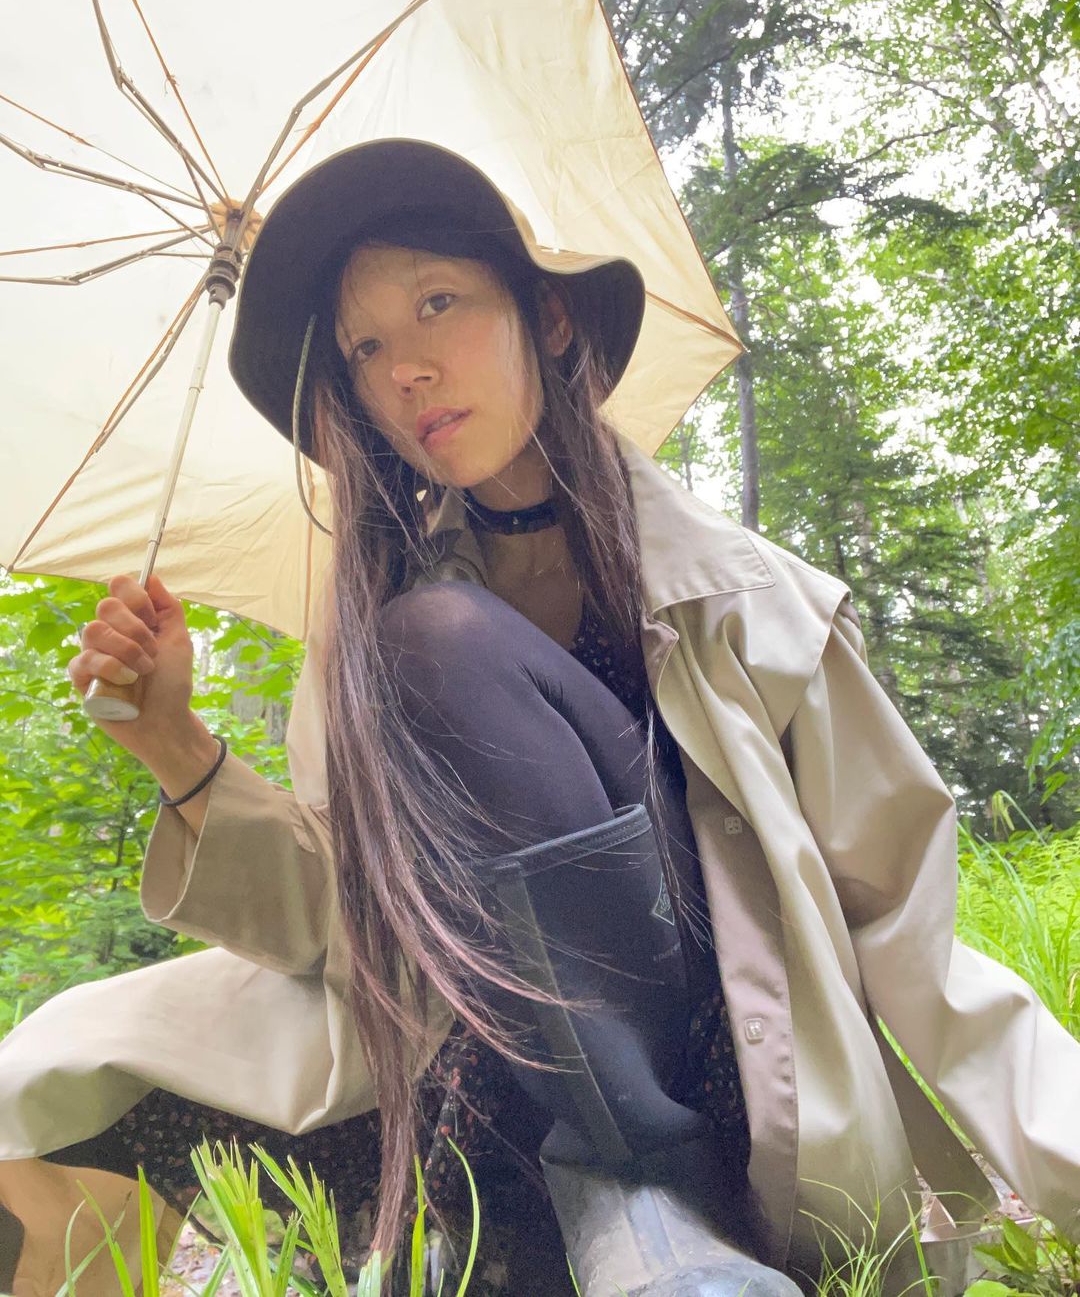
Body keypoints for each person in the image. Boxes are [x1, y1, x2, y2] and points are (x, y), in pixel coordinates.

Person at [1, 139, 1078, 1297]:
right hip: (482, 1071)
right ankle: (566, 1231)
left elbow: (910, 932)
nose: (407, 370)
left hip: (723, 1093)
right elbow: (343, 926)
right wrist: (177, 745)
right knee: (54, 1090)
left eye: (438, 303)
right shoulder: (369, 636)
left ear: (551, 318)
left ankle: (646, 1202)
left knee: (436, 640)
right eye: (365, 348)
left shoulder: (750, 606)